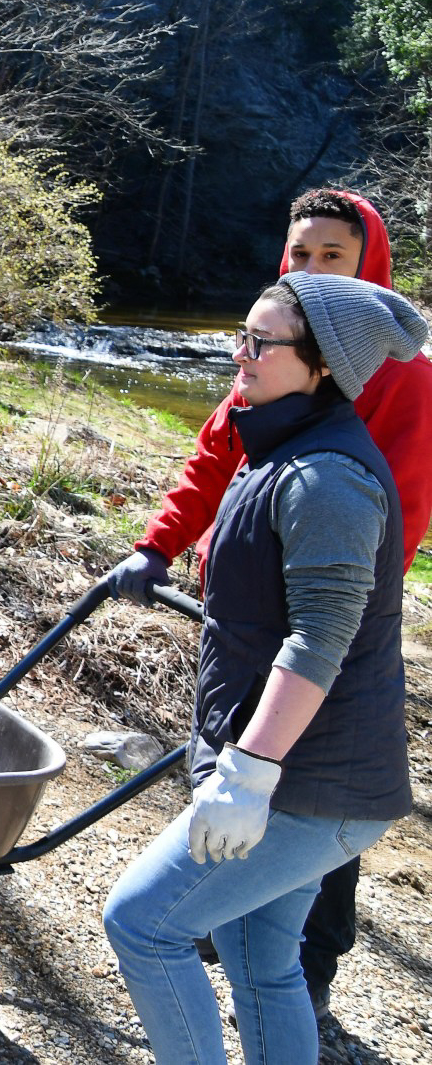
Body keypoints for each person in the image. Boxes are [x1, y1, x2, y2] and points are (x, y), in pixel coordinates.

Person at [108, 188, 432, 1012]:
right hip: (246, 611)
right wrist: (158, 545)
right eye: (302, 254)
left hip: (320, 626)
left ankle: (311, 968)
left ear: (370, 264)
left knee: (313, 795)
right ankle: (229, 932)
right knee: (228, 756)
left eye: (334, 256)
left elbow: (398, 504)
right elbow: (214, 461)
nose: (313, 267)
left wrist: (325, 613)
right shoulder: (268, 352)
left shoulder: (402, 379)